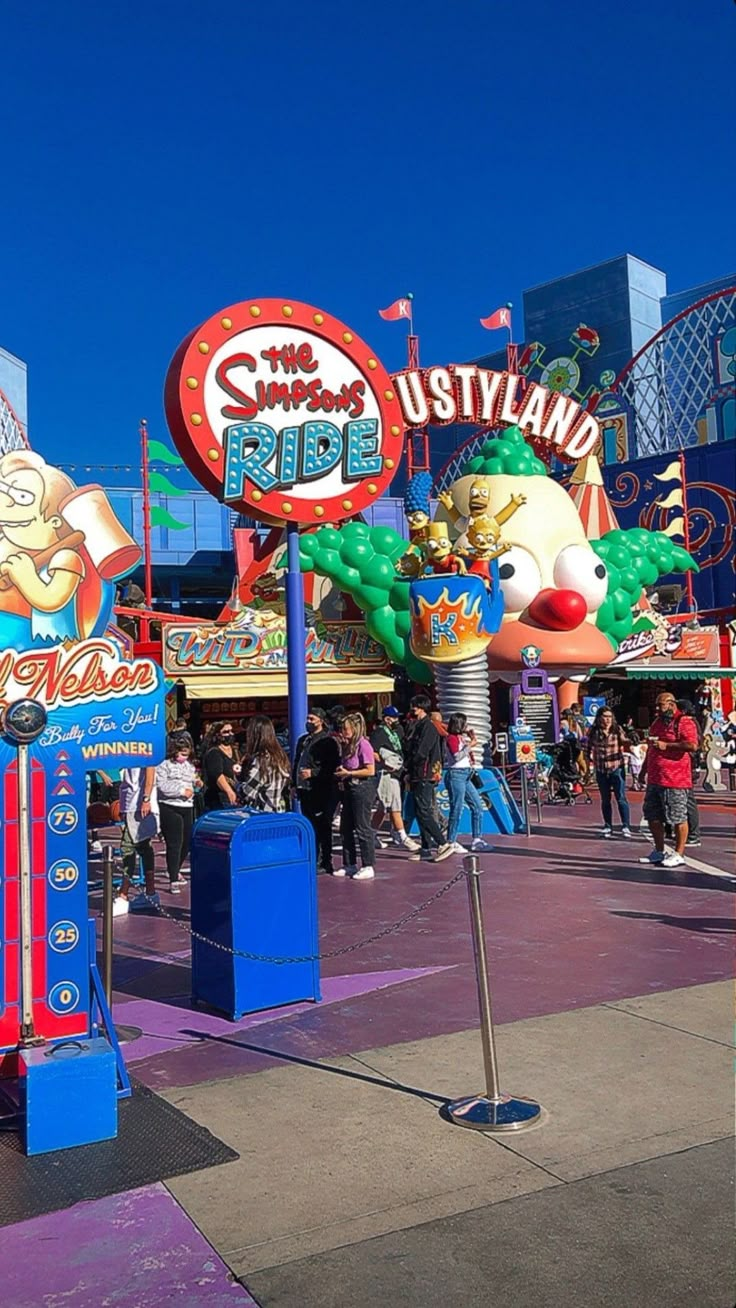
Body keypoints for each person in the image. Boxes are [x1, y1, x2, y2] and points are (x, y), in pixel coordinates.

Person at [639, 691, 699, 869]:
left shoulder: (684, 722)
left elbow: (692, 745)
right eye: (656, 705)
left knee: (678, 816)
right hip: (655, 778)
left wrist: (668, 745)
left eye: (661, 705)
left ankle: (679, 853)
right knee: (652, 815)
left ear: (672, 704)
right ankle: (659, 850)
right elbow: (651, 748)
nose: (657, 708)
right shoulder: (657, 723)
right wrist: (643, 770)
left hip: (675, 779)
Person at [403, 695, 454, 862]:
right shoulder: (417, 726)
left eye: (415, 707)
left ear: (421, 708)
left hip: (425, 773)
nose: (412, 710)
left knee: (424, 810)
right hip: (418, 774)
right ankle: (425, 847)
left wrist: (408, 765)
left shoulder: (429, 728)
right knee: (419, 810)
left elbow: (421, 751)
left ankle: (442, 842)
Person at [293, 707, 340, 874]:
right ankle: (312, 857)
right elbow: (296, 762)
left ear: (321, 720)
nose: (308, 722)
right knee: (310, 824)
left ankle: (324, 860)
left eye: (312, 719)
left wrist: (313, 773)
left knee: (322, 825)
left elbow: (332, 767)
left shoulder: (327, 741)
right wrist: (294, 783)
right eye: (307, 719)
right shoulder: (303, 740)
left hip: (319, 789)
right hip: (304, 788)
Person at [334, 712, 378, 879]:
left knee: (362, 826)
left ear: (354, 729)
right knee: (345, 827)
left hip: (362, 788)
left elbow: (370, 769)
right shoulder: (347, 746)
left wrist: (350, 773)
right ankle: (349, 863)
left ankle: (368, 864)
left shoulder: (363, 745)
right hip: (349, 788)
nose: (342, 731)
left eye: (345, 729)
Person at [370, 707, 420, 852]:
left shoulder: (393, 733)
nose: (397, 721)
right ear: (387, 719)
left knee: (383, 807)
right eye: (394, 718)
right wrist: (386, 764)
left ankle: (371, 835)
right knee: (394, 806)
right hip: (386, 773)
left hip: (395, 773)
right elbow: (373, 752)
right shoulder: (379, 733)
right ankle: (402, 836)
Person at [113, 766, 159, 915]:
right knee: (145, 847)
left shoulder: (144, 746)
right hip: (130, 801)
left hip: (138, 803)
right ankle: (150, 893)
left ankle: (123, 895)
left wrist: (146, 798)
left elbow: (150, 769)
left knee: (128, 847)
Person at [444, 713, 493, 853]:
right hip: (456, 774)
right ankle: (451, 840)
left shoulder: (461, 738)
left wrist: (471, 739)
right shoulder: (452, 738)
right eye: (464, 723)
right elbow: (457, 756)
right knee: (457, 808)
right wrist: (470, 745)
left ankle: (477, 839)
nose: (466, 726)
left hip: (466, 774)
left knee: (477, 806)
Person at [156, 734, 197, 893]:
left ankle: (174, 868)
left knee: (187, 841)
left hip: (187, 806)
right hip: (170, 806)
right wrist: (181, 791)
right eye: (181, 753)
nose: (183, 757)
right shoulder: (163, 765)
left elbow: (192, 779)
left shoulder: (189, 766)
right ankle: (173, 878)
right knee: (175, 842)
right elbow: (162, 786)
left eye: (186, 754)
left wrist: (197, 782)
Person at [586, 707, 632, 839]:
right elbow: (587, 748)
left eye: (610, 717)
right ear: (599, 717)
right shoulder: (593, 732)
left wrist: (631, 739)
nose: (607, 720)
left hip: (616, 768)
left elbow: (624, 741)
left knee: (621, 797)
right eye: (605, 716)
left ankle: (625, 826)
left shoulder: (617, 730)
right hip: (601, 769)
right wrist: (589, 763)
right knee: (605, 799)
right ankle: (607, 826)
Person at [238, 714, 291, 812]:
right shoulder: (280, 756)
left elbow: (247, 792)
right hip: (279, 811)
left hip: (263, 814)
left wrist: (238, 784)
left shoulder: (262, 760)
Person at [676, 698, 702, 847]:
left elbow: (693, 745)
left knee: (688, 799)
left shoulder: (688, 722)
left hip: (689, 765)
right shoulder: (692, 722)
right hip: (689, 765)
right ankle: (685, 832)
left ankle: (693, 833)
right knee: (684, 798)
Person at [203, 722, 239, 809]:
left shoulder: (235, 750)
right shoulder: (214, 752)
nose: (230, 734)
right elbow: (217, 775)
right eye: (226, 732)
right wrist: (229, 791)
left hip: (237, 793)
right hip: (219, 798)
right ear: (217, 734)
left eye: (232, 731)